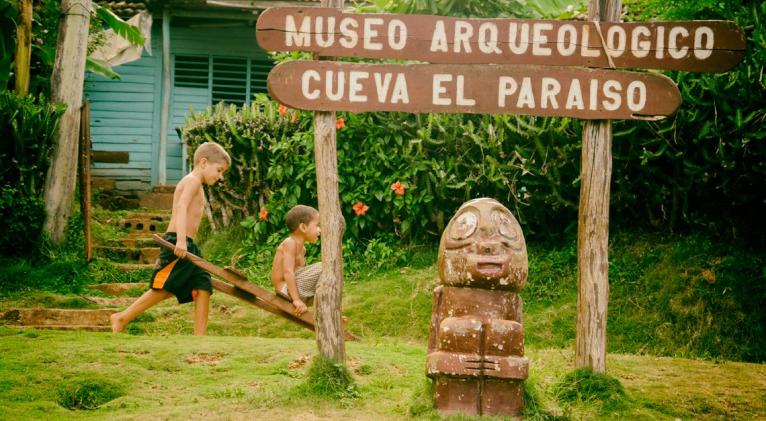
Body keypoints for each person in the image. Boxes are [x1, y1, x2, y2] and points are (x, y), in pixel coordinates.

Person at [110, 142, 230, 335]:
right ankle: (122, 317)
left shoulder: (196, 183)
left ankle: (200, 337)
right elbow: (181, 207)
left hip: (187, 243)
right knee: (165, 287)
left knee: (203, 284)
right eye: (219, 170)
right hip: (177, 241)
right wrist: (181, 241)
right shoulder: (192, 181)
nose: (220, 176)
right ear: (203, 163)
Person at [271, 205, 322, 316]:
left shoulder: (302, 249)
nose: (320, 230)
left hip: (295, 288)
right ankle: (326, 310)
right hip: (285, 291)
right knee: (326, 266)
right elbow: (288, 272)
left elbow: (301, 274)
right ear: (303, 227)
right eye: (317, 225)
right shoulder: (290, 243)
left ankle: (329, 311)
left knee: (330, 277)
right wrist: (296, 299)